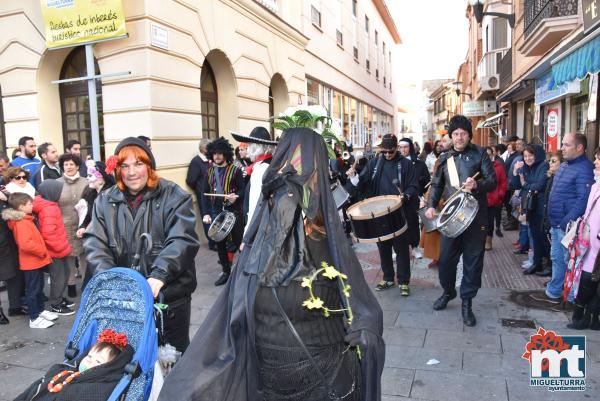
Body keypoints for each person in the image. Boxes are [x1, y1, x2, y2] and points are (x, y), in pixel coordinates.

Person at [159, 127, 384, 401]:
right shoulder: (265, 230)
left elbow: (358, 297)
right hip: (272, 365)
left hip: (320, 364)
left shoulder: (326, 236)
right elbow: (235, 309)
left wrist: (366, 326)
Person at [84, 137, 200, 353]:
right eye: (125, 166)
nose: (131, 172)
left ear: (149, 166)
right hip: (125, 300)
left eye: (138, 164)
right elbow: (95, 243)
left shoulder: (173, 195)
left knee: (171, 356)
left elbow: (182, 239)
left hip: (168, 296)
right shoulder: (105, 200)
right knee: (130, 356)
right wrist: (113, 281)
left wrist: (159, 275)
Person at [424, 115, 496, 326]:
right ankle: (448, 291)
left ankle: (467, 303)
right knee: (445, 260)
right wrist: (430, 206)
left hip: (475, 217)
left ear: (469, 135)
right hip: (450, 217)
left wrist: (477, 185)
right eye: (455, 134)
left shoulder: (481, 154)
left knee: (473, 262)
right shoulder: (445, 158)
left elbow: (492, 181)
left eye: (463, 133)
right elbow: (436, 185)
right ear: (451, 136)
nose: (459, 137)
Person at [348, 133, 418, 296]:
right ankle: (388, 278)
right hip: (378, 212)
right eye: (384, 152)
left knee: (401, 248)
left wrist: (405, 195)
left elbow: (413, 186)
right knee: (383, 246)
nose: (387, 155)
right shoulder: (374, 162)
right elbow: (363, 182)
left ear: (396, 149)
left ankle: (403, 281)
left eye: (390, 152)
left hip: (398, 211)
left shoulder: (406, 165)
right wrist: (354, 177)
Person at [542, 133, 595, 302]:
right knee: (557, 258)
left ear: (579, 148)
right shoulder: (564, 166)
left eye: (566, 145)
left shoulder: (585, 168)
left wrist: (566, 221)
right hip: (557, 223)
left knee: (570, 261)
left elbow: (583, 200)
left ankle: (571, 296)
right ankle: (555, 290)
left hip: (568, 227)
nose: (562, 148)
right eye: (562, 144)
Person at [14, 329, 135, 401]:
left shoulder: (100, 387)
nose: (89, 361)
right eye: (89, 356)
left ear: (109, 368)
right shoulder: (67, 372)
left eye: (98, 361)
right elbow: (38, 387)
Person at [2, 192, 58, 329]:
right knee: (33, 290)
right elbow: (26, 244)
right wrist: (42, 251)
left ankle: (40, 311)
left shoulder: (26, 219)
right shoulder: (21, 223)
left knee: (38, 288)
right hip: (31, 262)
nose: (32, 205)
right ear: (21, 207)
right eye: (29, 204)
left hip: (36, 261)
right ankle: (34, 318)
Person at [201, 137, 246, 286]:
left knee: (239, 242)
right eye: (214, 154)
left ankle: (245, 271)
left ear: (226, 154)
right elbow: (205, 194)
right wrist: (206, 213)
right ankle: (226, 271)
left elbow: (243, 189)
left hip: (234, 211)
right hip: (216, 212)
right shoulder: (209, 172)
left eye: (220, 153)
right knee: (219, 243)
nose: (217, 156)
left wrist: (236, 197)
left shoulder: (236, 170)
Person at [565, 148, 600, 330]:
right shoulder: (595, 185)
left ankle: (587, 317)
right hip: (586, 242)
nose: (595, 162)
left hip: (597, 246)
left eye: (598, 159)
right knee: (585, 279)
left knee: (590, 281)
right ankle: (584, 316)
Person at [33, 180, 74, 315]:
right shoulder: (48, 208)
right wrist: (60, 248)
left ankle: (59, 298)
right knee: (59, 278)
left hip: (58, 249)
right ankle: (56, 304)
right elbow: (48, 233)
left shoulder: (50, 205)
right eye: (59, 191)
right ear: (52, 192)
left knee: (64, 275)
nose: (61, 193)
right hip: (56, 251)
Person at [76, 161, 115, 288]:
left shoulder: (111, 195)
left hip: (109, 243)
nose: (87, 178)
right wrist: (83, 226)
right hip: (97, 241)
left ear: (101, 178)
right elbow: (89, 215)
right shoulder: (91, 194)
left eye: (91, 175)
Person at [231, 126, 277, 232]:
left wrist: (247, 233)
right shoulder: (270, 164)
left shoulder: (261, 169)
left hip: (260, 228)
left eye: (249, 146)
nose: (248, 150)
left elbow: (256, 204)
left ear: (256, 147)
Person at [512, 145, 549, 275]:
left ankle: (547, 264)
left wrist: (525, 184)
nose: (527, 158)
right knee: (534, 235)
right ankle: (537, 263)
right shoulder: (525, 167)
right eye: (525, 156)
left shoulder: (543, 166)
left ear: (536, 155)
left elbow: (540, 184)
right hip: (530, 206)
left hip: (541, 207)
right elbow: (515, 185)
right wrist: (516, 172)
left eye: (530, 155)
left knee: (542, 236)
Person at [57, 153, 88, 299]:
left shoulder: (86, 182)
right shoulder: (56, 183)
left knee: (85, 256)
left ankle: (86, 284)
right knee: (68, 257)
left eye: (71, 164)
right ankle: (70, 285)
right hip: (65, 226)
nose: (69, 167)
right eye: (66, 164)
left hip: (84, 225)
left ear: (77, 166)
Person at [398, 138, 430, 259]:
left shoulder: (419, 163)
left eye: (405, 147)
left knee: (413, 223)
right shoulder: (395, 162)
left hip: (413, 198)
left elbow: (427, 180)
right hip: (398, 198)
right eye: (400, 147)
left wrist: (422, 191)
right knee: (398, 224)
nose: (403, 150)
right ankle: (398, 249)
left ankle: (415, 247)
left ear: (410, 148)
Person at [536, 151, 564, 277]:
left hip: (556, 218)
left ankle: (551, 270)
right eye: (550, 161)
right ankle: (550, 268)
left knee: (555, 249)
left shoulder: (559, 178)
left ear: (562, 164)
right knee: (549, 244)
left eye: (554, 161)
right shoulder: (551, 177)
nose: (550, 163)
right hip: (547, 214)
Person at [186, 138, 215, 250]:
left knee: (214, 216)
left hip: (212, 194)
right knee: (207, 218)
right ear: (204, 149)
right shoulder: (196, 161)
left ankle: (216, 240)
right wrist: (199, 188)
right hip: (203, 195)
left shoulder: (209, 160)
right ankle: (212, 243)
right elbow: (190, 180)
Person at [0, 185, 22, 324]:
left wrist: (7, 197)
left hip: (7, 242)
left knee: (13, 275)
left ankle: (15, 307)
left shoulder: (3, 193)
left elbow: (19, 204)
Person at [485, 146, 507, 251]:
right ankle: (482, 240)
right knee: (481, 222)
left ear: (493, 155)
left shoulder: (498, 166)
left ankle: (489, 240)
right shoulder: (478, 166)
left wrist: (500, 193)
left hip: (493, 199)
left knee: (490, 221)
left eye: (489, 155)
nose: (487, 157)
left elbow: (503, 181)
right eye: (485, 155)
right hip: (481, 199)